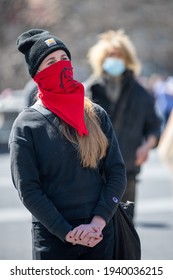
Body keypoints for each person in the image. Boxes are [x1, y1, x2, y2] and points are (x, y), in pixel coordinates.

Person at [8, 29, 126, 260]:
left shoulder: (95, 114)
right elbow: (29, 190)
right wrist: (67, 232)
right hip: (54, 240)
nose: (60, 65)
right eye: (50, 61)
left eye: (64, 59)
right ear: (37, 74)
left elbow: (116, 171)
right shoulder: (26, 125)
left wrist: (98, 222)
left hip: (100, 234)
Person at [84, 29, 161, 218]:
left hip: (128, 170)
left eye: (118, 55)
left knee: (126, 227)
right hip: (94, 170)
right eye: (110, 55)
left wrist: (146, 146)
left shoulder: (140, 93)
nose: (114, 59)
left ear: (126, 58)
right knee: (96, 226)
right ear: (101, 58)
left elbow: (153, 126)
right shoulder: (90, 90)